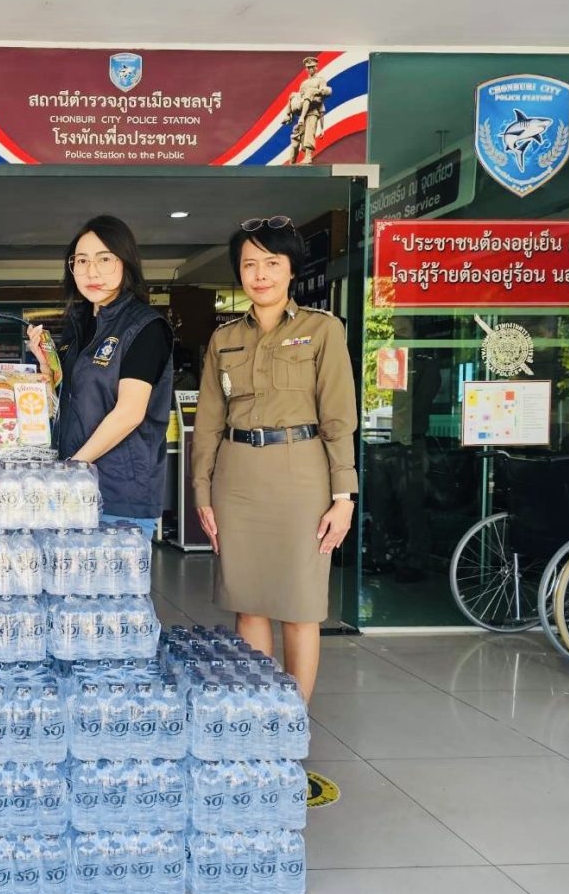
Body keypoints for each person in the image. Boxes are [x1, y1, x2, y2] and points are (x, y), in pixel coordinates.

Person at [191, 216, 357, 701]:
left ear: (291, 270)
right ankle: (262, 714)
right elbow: (208, 422)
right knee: (249, 604)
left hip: (301, 476)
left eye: (271, 263)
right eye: (249, 265)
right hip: (237, 478)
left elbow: (338, 418)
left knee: (301, 607)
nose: (259, 274)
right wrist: (201, 491)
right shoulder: (224, 339)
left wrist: (344, 495)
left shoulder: (322, 330)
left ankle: (294, 717)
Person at [27, 214, 173, 540]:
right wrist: (48, 372)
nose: (92, 272)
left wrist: (71, 469)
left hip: (119, 495)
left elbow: (129, 413)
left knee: (112, 576)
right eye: (82, 261)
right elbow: (71, 405)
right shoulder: (79, 326)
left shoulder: (145, 327)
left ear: (126, 263)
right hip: (72, 491)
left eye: (104, 259)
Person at [281, 56, 332, 165]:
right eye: (308, 67)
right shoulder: (304, 83)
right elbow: (300, 97)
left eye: (312, 67)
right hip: (303, 113)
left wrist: (322, 128)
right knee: (302, 135)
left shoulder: (320, 80)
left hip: (313, 110)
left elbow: (322, 94)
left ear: (316, 67)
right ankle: (288, 116)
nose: (310, 69)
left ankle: (308, 157)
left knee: (309, 133)